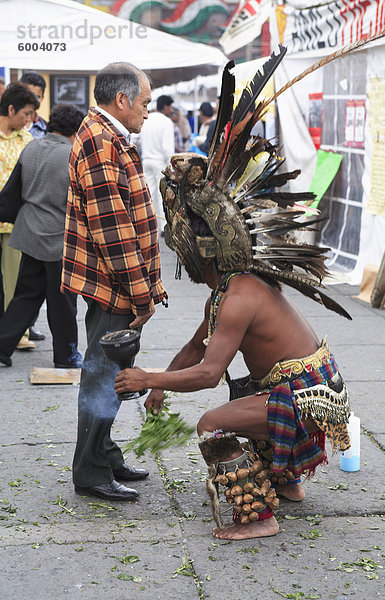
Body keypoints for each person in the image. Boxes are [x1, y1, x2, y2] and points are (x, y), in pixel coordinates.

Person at [114, 151, 352, 538]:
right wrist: (159, 383)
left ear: (199, 253)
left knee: (213, 425)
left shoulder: (237, 297)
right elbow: (196, 348)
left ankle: (259, 518)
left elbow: (209, 374)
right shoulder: (229, 290)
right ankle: (287, 482)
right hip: (316, 393)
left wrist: (145, 377)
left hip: (306, 400)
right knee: (250, 393)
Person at [61, 62, 167, 502]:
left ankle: (103, 453)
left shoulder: (105, 135)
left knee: (109, 374)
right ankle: (90, 471)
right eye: (144, 103)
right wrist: (143, 295)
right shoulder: (102, 141)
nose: (147, 112)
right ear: (121, 100)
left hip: (113, 284)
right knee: (104, 380)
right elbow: (114, 229)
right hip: (115, 286)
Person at [0, 104, 85, 369]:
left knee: (26, 295)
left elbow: (12, 192)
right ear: (75, 131)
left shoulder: (31, 147)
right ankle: (66, 355)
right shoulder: (72, 156)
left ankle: (2, 345)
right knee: (63, 302)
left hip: (29, 234)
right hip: (58, 239)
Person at [0, 82, 39, 349]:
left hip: (14, 221)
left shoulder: (28, 140)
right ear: (11, 109)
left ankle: (16, 335)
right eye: (25, 114)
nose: (29, 120)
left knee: (15, 280)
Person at [19, 71, 49, 342]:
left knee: (29, 278)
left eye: (37, 96)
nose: (33, 101)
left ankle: (28, 325)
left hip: (35, 208)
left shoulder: (44, 129)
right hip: (18, 207)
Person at [140, 94, 175, 234]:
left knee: (148, 194)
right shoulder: (166, 122)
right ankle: (164, 226)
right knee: (162, 195)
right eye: (170, 106)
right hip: (160, 162)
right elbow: (168, 148)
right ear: (165, 106)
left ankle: (149, 224)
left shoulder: (148, 118)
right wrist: (171, 167)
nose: (171, 109)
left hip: (146, 159)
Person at [19, 71, 47, 139]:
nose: (33, 100)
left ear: (42, 98)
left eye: (37, 97)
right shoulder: (8, 125)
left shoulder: (46, 129)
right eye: (29, 95)